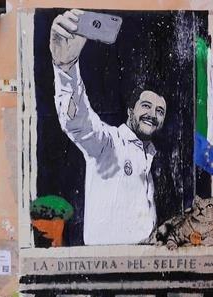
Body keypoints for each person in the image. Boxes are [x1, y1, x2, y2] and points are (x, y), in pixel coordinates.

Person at [49, 8, 168, 245]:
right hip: (105, 271)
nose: (153, 115)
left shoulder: (153, 158)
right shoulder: (108, 143)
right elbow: (77, 121)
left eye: (160, 111)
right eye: (146, 106)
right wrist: (66, 67)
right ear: (130, 111)